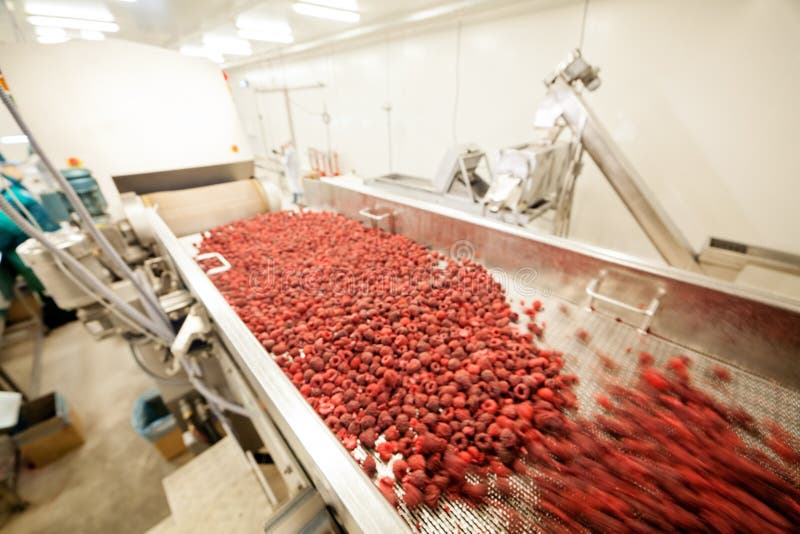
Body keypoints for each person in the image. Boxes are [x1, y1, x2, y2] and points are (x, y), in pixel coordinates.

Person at [0, 160, 74, 329]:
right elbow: (9, 227)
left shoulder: (15, 191)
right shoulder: (9, 196)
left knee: (56, 278)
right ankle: (59, 314)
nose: (18, 169)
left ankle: (64, 310)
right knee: (46, 283)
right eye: (13, 167)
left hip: (40, 241)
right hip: (26, 248)